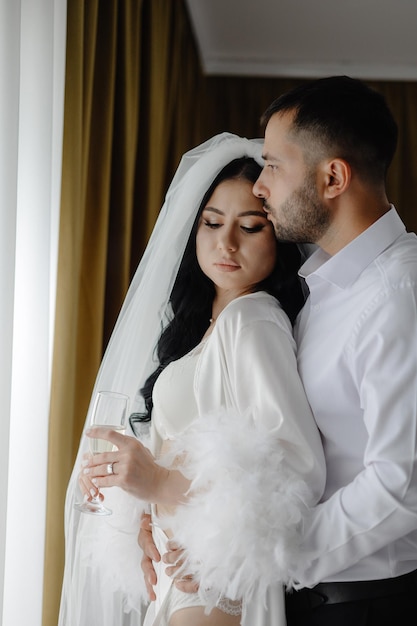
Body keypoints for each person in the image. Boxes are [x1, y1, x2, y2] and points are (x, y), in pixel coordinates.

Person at [59, 133, 325, 626]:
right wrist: (147, 512)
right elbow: (190, 449)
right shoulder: (207, 329)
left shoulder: (254, 320)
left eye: (250, 226)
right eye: (211, 223)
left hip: (220, 582)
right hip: (183, 571)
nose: (225, 243)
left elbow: (295, 471)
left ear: (279, 238)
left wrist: (159, 483)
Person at [250, 75, 417, 626]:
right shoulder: (323, 286)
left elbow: (403, 484)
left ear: (333, 177)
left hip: (370, 606)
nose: (259, 186)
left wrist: (270, 552)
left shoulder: (400, 297)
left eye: (274, 165)